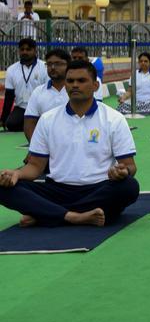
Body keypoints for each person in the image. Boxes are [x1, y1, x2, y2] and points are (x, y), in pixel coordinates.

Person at [0, 59, 139, 227]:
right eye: (70, 81)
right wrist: (17, 174)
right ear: (65, 85)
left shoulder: (114, 119)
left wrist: (123, 172)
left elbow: (130, 166)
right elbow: (35, 167)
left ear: (95, 86)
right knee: (3, 187)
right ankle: (73, 216)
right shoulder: (48, 119)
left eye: (81, 81)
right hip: (56, 190)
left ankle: (47, 214)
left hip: (98, 188)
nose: (74, 85)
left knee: (129, 186)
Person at [24, 48, 71, 142]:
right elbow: (29, 122)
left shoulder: (76, 90)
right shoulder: (38, 92)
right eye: (49, 64)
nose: (53, 67)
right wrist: (36, 147)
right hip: (46, 144)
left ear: (69, 65)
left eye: (58, 64)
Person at [1, 38, 47, 132]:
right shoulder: (12, 69)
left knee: (46, 124)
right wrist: (4, 118)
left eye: (28, 49)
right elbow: (9, 96)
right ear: (19, 51)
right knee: (10, 124)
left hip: (41, 107)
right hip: (22, 107)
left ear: (35, 50)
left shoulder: (44, 67)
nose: (25, 52)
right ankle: (33, 126)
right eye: (22, 49)